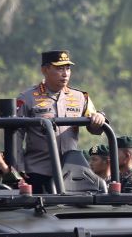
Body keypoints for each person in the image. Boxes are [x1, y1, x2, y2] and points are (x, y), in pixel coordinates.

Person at [14, 50, 107, 193]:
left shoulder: (80, 97)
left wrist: (99, 117)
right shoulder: (27, 98)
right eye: (59, 68)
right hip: (38, 172)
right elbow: (16, 135)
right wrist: (18, 167)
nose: (65, 73)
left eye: (68, 68)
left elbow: (95, 128)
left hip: (71, 172)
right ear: (45, 70)